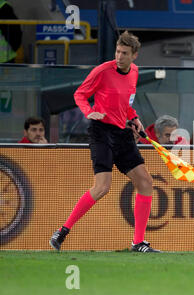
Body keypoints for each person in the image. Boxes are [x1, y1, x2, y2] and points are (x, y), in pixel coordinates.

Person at [49, 31, 160, 253]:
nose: (119, 56)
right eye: (118, 52)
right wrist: (89, 112)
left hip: (122, 133)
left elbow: (126, 102)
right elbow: (80, 94)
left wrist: (134, 117)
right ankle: (62, 231)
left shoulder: (135, 72)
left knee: (146, 183)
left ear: (134, 56)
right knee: (102, 187)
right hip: (101, 131)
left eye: (125, 53)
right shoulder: (102, 71)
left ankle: (138, 243)